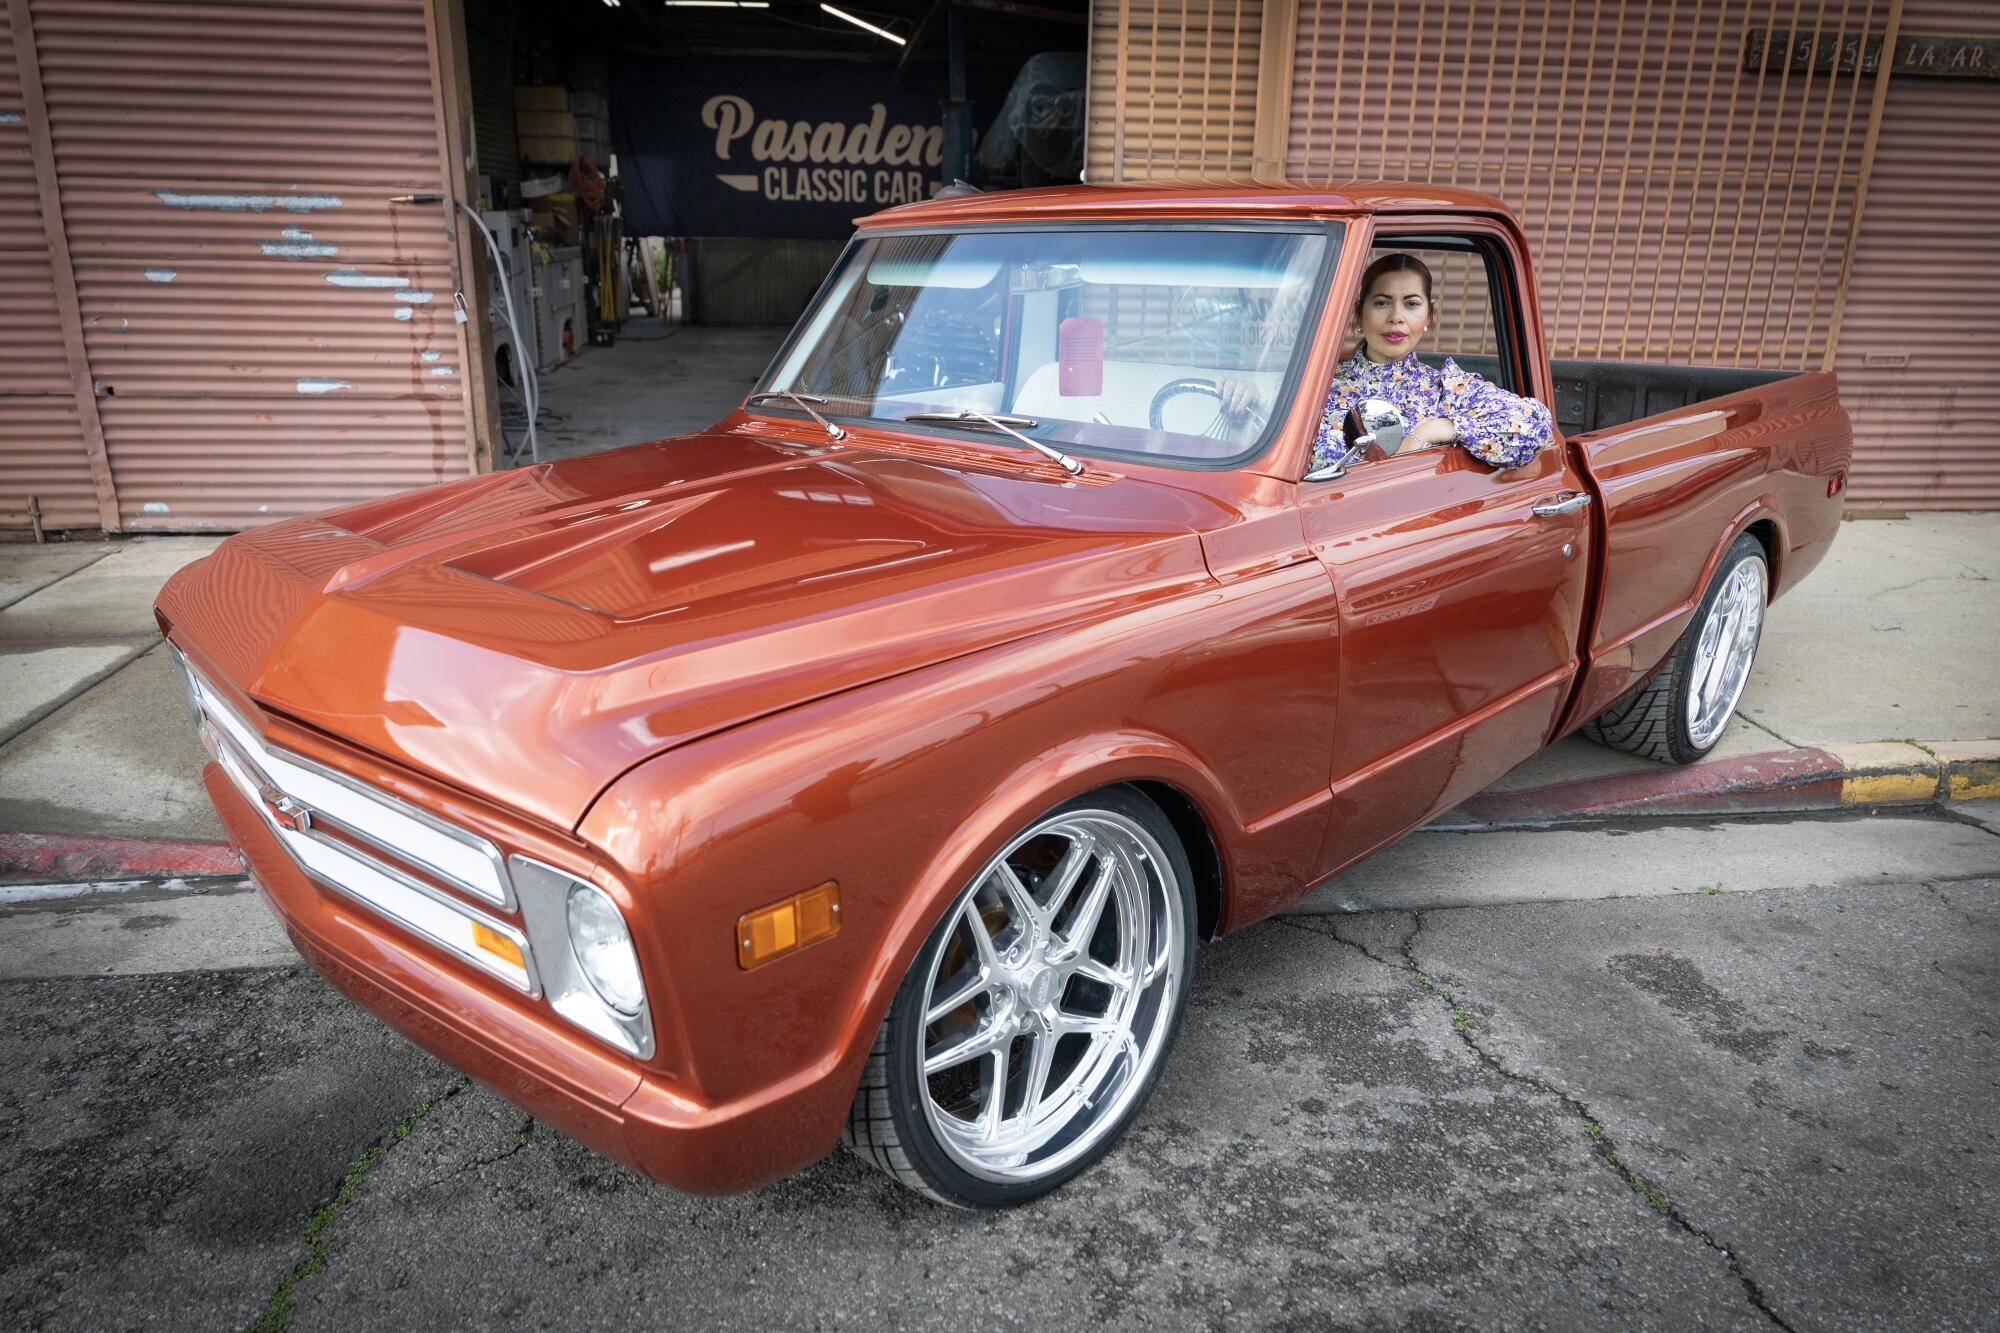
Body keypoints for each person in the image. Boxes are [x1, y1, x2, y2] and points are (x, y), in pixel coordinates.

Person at [1222, 252, 1553, 470]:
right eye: (1382, 303)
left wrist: (1435, 429)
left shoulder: (1447, 388)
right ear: (1359, 315)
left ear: (1429, 316)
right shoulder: (1313, 384)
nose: (1396, 317)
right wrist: (1239, 403)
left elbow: (1534, 424)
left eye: (1411, 304)